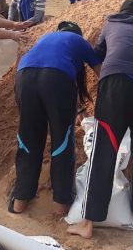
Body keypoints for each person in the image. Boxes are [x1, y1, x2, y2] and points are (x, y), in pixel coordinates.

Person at [68, 0, 133, 239]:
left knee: (104, 150)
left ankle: (88, 223)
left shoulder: (111, 22)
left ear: (122, 12)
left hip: (115, 84)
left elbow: (97, 54)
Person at [10, 21, 102, 216]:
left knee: (28, 138)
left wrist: (77, 109)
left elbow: (49, 69)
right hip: (56, 80)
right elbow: (100, 72)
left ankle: (20, 201)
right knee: (62, 142)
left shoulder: (45, 39)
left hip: (24, 78)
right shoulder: (79, 41)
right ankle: (62, 203)